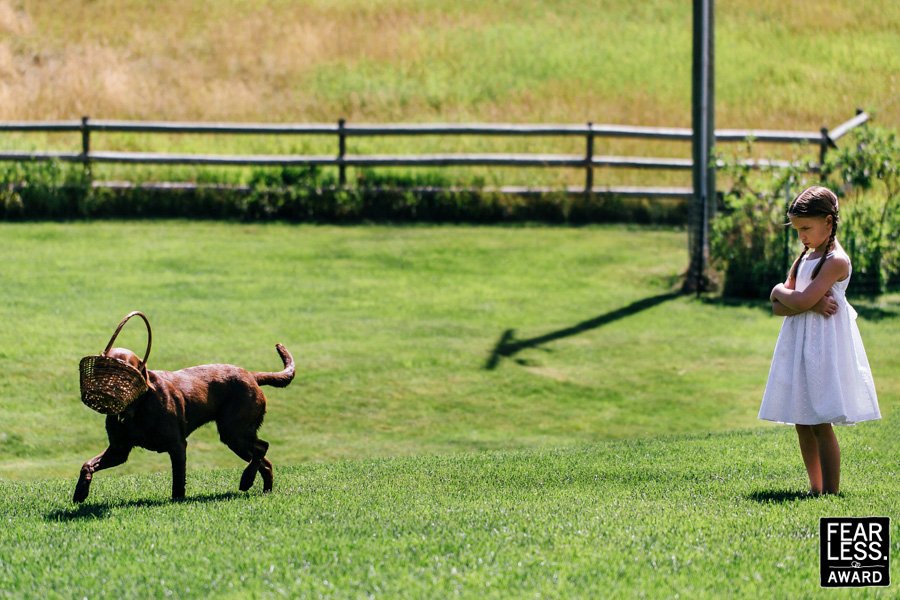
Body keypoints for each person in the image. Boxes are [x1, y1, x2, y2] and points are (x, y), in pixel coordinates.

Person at [758, 185, 880, 495]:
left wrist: (784, 293)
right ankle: (815, 487)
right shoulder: (804, 258)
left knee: (820, 419)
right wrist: (786, 295)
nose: (801, 236)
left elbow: (796, 301)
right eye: (798, 230)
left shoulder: (836, 261)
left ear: (828, 222)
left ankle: (831, 491)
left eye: (806, 228)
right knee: (802, 419)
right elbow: (779, 307)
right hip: (800, 343)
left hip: (823, 347)